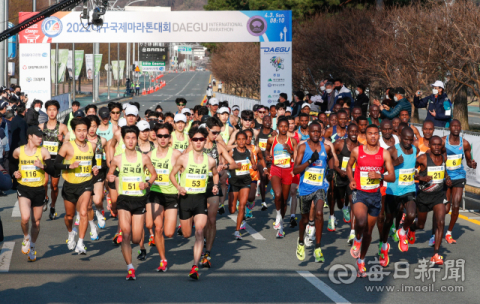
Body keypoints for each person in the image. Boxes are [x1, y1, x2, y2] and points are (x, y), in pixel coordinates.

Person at [169, 127, 219, 280]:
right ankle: (186, 225)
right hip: (185, 198)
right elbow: (172, 174)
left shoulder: (210, 160)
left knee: (199, 232)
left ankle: (195, 266)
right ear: (191, 141)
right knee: (186, 234)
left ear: (205, 141)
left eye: (201, 139)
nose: (198, 142)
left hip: (199, 199)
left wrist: (215, 185)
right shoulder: (183, 159)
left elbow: (216, 174)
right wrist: (178, 187)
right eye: (195, 139)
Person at [107, 125, 157, 280]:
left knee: (136, 237)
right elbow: (110, 174)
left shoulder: (144, 158)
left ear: (137, 139)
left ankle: (136, 248)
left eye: (133, 138)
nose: (130, 141)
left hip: (139, 199)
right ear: (123, 139)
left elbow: (153, 174)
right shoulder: (117, 159)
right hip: (124, 200)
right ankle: (130, 267)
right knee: (126, 234)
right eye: (127, 138)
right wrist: (110, 177)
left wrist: (147, 183)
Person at [346, 124, 395, 277]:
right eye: (370, 134)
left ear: (378, 136)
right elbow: (349, 166)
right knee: (360, 222)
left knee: (368, 232)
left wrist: (380, 176)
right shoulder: (357, 151)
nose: (373, 136)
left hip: (375, 196)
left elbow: (392, 177)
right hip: (360, 194)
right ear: (365, 136)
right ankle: (357, 240)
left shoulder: (384, 154)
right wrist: (351, 179)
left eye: (375, 134)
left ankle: (361, 261)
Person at [55, 117, 99, 255]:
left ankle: (80, 243)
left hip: (86, 184)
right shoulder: (67, 146)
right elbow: (55, 164)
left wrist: (94, 169)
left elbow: (92, 163)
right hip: (70, 185)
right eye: (79, 130)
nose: (82, 133)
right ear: (74, 131)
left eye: (84, 130)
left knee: (84, 211)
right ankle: (70, 233)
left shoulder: (92, 146)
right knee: (69, 216)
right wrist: (69, 166)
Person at [11, 126, 55, 262]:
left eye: (41, 136)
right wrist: (14, 173)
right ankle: (26, 237)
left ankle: (33, 247)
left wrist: (43, 166)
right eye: (38, 136)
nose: (40, 138)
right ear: (30, 136)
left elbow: (53, 170)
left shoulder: (44, 152)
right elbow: (11, 164)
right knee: (25, 218)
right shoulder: (19, 151)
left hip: (39, 190)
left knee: (36, 222)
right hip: (24, 188)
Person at [294, 122, 334, 262]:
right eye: (313, 131)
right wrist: (310, 161)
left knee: (318, 213)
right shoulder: (303, 147)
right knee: (304, 219)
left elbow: (331, 159)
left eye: (318, 131)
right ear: (309, 132)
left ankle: (317, 247)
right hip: (305, 188)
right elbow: (295, 170)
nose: (316, 134)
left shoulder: (326, 148)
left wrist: (331, 171)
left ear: (321, 132)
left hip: (319, 187)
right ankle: (300, 242)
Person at [379, 127, 418, 267]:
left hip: (409, 189)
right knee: (388, 220)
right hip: (393, 191)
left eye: (411, 139)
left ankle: (402, 231)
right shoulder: (392, 151)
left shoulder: (415, 150)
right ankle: (383, 246)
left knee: (412, 214)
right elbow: (380, 169)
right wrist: (394, 164)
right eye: (406, 139)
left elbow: (414, 167)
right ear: (400, 137)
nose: (408, 142)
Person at [411, 136, 451, 265]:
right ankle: (410, 228)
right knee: (420, 225)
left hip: (438, 196)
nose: (437, 147)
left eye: (439, 145)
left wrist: (448, 178)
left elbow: (443, 173)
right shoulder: (423, 158)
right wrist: (420, 178)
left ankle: (436, 254)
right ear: (430, 146)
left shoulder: (443, 158)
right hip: (424, 197)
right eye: (434, 145)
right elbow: (411, 171)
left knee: (440, 222)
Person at [148, 123, 182, 272]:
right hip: (155, 193)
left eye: (165, 136)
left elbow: (186, 169)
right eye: (160, 135)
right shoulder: (149, 155)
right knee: (158, 227)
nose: (162, 139)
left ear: (169, 137)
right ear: (155, 136)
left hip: (171, 194)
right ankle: (163, 259)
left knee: (169, 232)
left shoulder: (176, 154)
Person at [443, 120, 477, 244]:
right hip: (445, 178)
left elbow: (469, 161)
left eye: (458, 126)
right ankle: (437, 229)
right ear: (449, 127)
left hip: (459, 176)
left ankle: (449, 233)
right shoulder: (443, 142)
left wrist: (472, 164)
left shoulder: (465, 144)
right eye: (453, 126)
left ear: (461, 128)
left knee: (456, 206)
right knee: (445, 209)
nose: (456, 128)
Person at [265, 117, 298, 238]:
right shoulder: (272, 139)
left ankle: (281, 226)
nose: (284, 128)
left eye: (286, 126)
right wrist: (267, 157)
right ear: (277, 127)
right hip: (275, 169)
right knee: (277, 194)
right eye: (281, 126)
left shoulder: (293, 141)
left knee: (284, 199)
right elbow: (266, 151)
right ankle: (278, 215)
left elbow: (296, 158)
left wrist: (290, 151)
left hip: (288, 171)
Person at [39, 100, 68, 220]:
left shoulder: (62, 127)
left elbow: (69, 143)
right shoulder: (41, 126)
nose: (52, 112)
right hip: (45, 159)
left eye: (54, 110)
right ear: (46, 111)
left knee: (55, 186)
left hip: (56, 160)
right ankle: (45, 197)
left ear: (57, 111)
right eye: (49, 110)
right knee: (45, 182)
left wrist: (63, 140)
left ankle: (53, 206)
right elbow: (35, 141)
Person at [333, 124, 359, 243]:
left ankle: (352, 232)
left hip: (352, 178)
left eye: (356, 131)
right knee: (340, 201)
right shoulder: (339, 143)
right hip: (340, 177)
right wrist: (339, 170)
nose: (354, 133)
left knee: (353, 201)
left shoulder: (360, 146)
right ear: (347, 132)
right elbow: (332, 158)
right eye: (351, 131)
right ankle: (343, 207)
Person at [228, 131, 257, 240]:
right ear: (236, 141)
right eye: (239, 139)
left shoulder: (249, 152)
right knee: (231, 210)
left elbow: (253, 163)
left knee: (242, 205)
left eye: (243, 139)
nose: (241, 141)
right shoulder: (232, 152)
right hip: (234, 182)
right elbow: (225, 163)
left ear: (246, 140)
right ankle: (235, 204)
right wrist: (232, 166)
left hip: (245, 181)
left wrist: (254, 166)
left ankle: (237, 231)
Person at [86, 115, 108, 239]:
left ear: (97, 126)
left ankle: (99, 211)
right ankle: (92, 226)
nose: (91, 129)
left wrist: (101, 167)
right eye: (89, 126)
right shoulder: (81, 142)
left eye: (94, 126)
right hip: (85, 175)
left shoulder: (102, 141)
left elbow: (107, 158)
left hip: (99, 173)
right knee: (88, 205)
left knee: (97, 200)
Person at [257, 115, 276, 210]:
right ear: (262, 122)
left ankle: (270, 189)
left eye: (269, 120)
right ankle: (263, 201)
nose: (268, 122)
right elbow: (255, 145)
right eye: (265, 120)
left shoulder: (274, 133)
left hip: (270, 159)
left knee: (268, 180)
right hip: (260, 159)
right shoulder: (258, 132)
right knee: (263, 176)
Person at [9, 104, 28, 190]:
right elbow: (23, 136)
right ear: (24, 112)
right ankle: (17, 183)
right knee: (19, 165)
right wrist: (25, 147)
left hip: (12, 145)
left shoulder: (13, 120)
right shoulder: (22, 121)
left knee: (13, 165)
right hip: (20, 146)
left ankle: (13, 183)